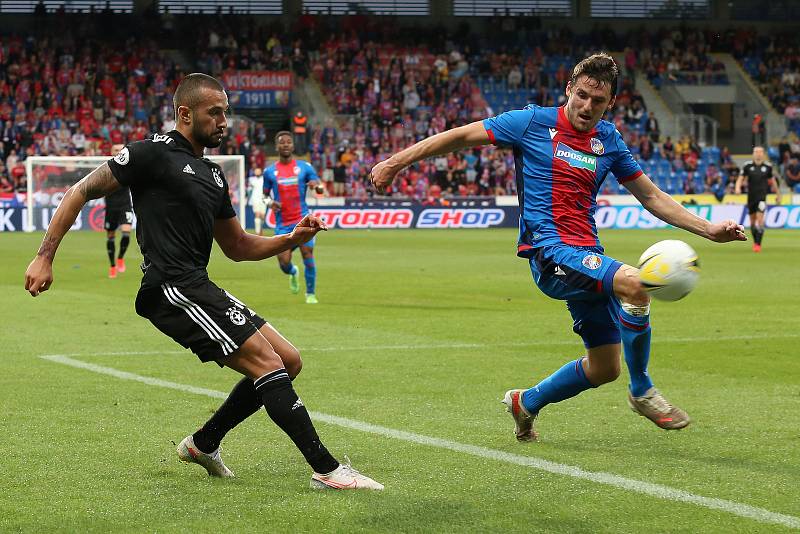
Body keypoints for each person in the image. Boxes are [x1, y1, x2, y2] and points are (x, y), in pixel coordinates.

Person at [25, 73, 382, 490]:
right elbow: (80, 191)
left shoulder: (213, 175)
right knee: (267, 364)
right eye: (215, 112)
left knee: (288, 361)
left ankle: (204, 442)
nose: (223, 121)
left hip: (198, 285)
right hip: (170, 288)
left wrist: (291, 238)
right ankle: (328, 469)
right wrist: (44, 256)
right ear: (185, 113)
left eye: (225, 112)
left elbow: (238, 246)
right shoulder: (150, 154)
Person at [370, 53, 746, 441]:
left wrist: (708, 230)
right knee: (639, 284)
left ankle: (526, 402)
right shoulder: (531, 122)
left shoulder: (609, 140)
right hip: (550, 252)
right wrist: (395, 163)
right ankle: (642, 391)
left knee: (604, 368)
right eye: (581, 95)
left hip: (588, 254)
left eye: (597, 101)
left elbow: (650, 196)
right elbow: (460, 136)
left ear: (610, 102)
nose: (586, 106)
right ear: (569, 89)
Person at [263, 131, 325, 304]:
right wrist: (270, 203)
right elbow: (264, 196)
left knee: (308, 253)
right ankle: (292, 272)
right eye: (282, 142)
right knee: (284, 263)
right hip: (283, 225)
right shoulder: (269, 172)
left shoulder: (305, 167)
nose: (285, 145)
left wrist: (316, 187)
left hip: (303, 220)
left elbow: (320, 188)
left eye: (288, 142)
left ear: (292, 145)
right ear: (277, 146)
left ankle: (310, 294)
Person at [735, 146, 781, 252]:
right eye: (756, 152)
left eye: (760, 152)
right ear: (753, 154)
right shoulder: (748, 166)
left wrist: (778, 194)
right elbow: (740, 178)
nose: (758, 154)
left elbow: (773, 182)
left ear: (763, 154)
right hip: (751, 197)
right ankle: (756, 240)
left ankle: (758, 244)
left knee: (760, 220)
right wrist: (737, 188)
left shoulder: (768, 167)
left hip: (762, 197)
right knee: (752, 222)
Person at [103, 179, 133, 278]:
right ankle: (112, 266)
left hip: (125, 206)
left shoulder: (125, 170)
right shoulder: (106, 176)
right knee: (111, 237)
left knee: (126, 233)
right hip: (111, 208)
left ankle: (120, 258)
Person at [246, 167, 268, 236]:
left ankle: (260, 230)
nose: (257, 172)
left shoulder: (264, 179)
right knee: (257, 214)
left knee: (262, 216)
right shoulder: (251, 180)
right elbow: (249, 190)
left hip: (263, 199)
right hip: (255, 199)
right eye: (256, 171)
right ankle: (257, 233)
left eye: (259, 171)